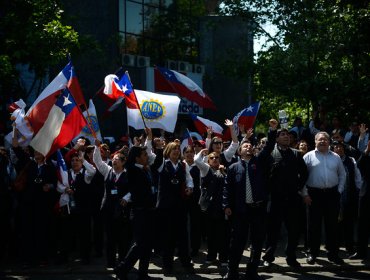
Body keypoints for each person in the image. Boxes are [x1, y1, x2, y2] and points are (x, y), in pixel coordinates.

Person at [223, 119, 278, 280]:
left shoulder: (259, 162)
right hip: (241, 210)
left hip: (258, 209)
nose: (248, 146)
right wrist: (226, 204)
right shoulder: (233, 168)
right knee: (237, 242)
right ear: (239, 151)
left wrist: (272, 130)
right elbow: (227, 188)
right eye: (244, 146)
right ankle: (232, 271)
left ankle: (252, 271)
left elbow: (268, 147)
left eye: (249, 145)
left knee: (257, 241)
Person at [148, 133, 194, 274]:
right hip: (165, 208)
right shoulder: (163, 164)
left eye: (177, 149)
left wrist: (190, 188)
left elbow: (189, 179)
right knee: (167, 238)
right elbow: (152, 158)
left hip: (180, 207)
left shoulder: (183, 165)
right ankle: (167, 266)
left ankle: (186, 264)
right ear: (168, 151)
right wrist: (156, 144)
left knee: (182, 237)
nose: (176, 151)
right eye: (173, 149)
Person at [114, 144, 162, 280]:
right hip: (140, 212)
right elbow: (129, 164)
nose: (147, 157)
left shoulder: (145, 169)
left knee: (147, 245)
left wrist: (158, 149)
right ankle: (122, 268)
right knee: (140, 243)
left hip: (149, 211)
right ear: (137, 158)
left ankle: (143, 273)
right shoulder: (133, 170)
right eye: (144, 155)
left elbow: (158, 162)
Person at [262, 128, 308, 268]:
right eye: (282, 135)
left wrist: (298, 187)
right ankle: (268, 257)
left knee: (293, 230)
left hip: (293, 198)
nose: (286, 137)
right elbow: (263, 175)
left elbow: (305, 174)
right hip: (275, 199)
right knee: (273, 230)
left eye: (288, 135)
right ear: (276, 139)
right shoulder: (270, 154)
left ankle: (291, 257)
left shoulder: (297, 154)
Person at [302, 131, 346, 265]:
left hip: (332, 194)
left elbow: (342, 175)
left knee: (332, 225)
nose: (322, 141)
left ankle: (333, 254)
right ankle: (312, 253)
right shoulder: (308, 156)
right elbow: (301, 177)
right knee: (313, 226)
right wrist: (305, 194)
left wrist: (339, 190)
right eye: (320, 139)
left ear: (329, 142)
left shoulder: (336, 157)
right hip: (314, 195)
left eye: (325, 139)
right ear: (315, 141)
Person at [93, 140, 132, 268]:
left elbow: (134, 189)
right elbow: (97, 161)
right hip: (108, 210)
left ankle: (122, 262)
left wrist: (127, 197)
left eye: (117, 160)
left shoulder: (128, 174)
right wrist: (96, 147)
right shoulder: (108, 171)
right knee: (110, 239)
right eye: (113, 159)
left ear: (123, 162)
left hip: (122, 211)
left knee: (123, 239)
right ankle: (110, 262)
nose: (114, 161)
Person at [195, 149, 230, 266]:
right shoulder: (206, 170)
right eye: (212, 158)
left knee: (223, 235)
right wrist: (202, 152)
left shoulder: (223, 171)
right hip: (210, 208)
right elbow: (196, 160)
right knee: (211, 235)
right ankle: (211, 257)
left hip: (222, 207)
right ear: (208, 161)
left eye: (216, 158)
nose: (215, 159)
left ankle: (224, 258)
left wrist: (223, 172)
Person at [332, 141, 362, 256]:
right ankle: (335, 246)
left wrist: (359, 191)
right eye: (336, 147)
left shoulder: (351, 160)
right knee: (335, 222)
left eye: (340, 147)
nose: (338, 149)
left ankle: (349, 246)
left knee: (348, 222)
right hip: (334, 195)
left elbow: (357, 176)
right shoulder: (331, 159)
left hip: (349, 195)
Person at [350, 139, 370, 260]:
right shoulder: (366, 157)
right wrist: (367, 151)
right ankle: (361, 252)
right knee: (362, 226)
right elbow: (359, 164)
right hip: (366, 195)